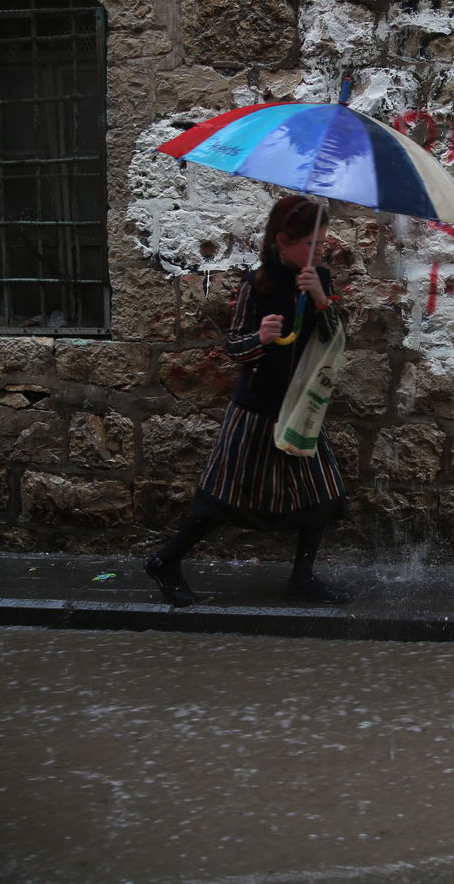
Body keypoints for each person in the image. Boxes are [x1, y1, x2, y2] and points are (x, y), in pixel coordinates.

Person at [145, 195, 351, 607]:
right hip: (256, 410)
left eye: (321, 244)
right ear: (281, 240)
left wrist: (321, 300)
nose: (317, 252)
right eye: (309, 244)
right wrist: (260, 339)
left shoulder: (319, 280)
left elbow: (335, 341)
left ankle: (302, 578)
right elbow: (234, 348)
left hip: (300, 406)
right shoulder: (257, 285)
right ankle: (165, 560)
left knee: (322, 493)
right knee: (222, 499)